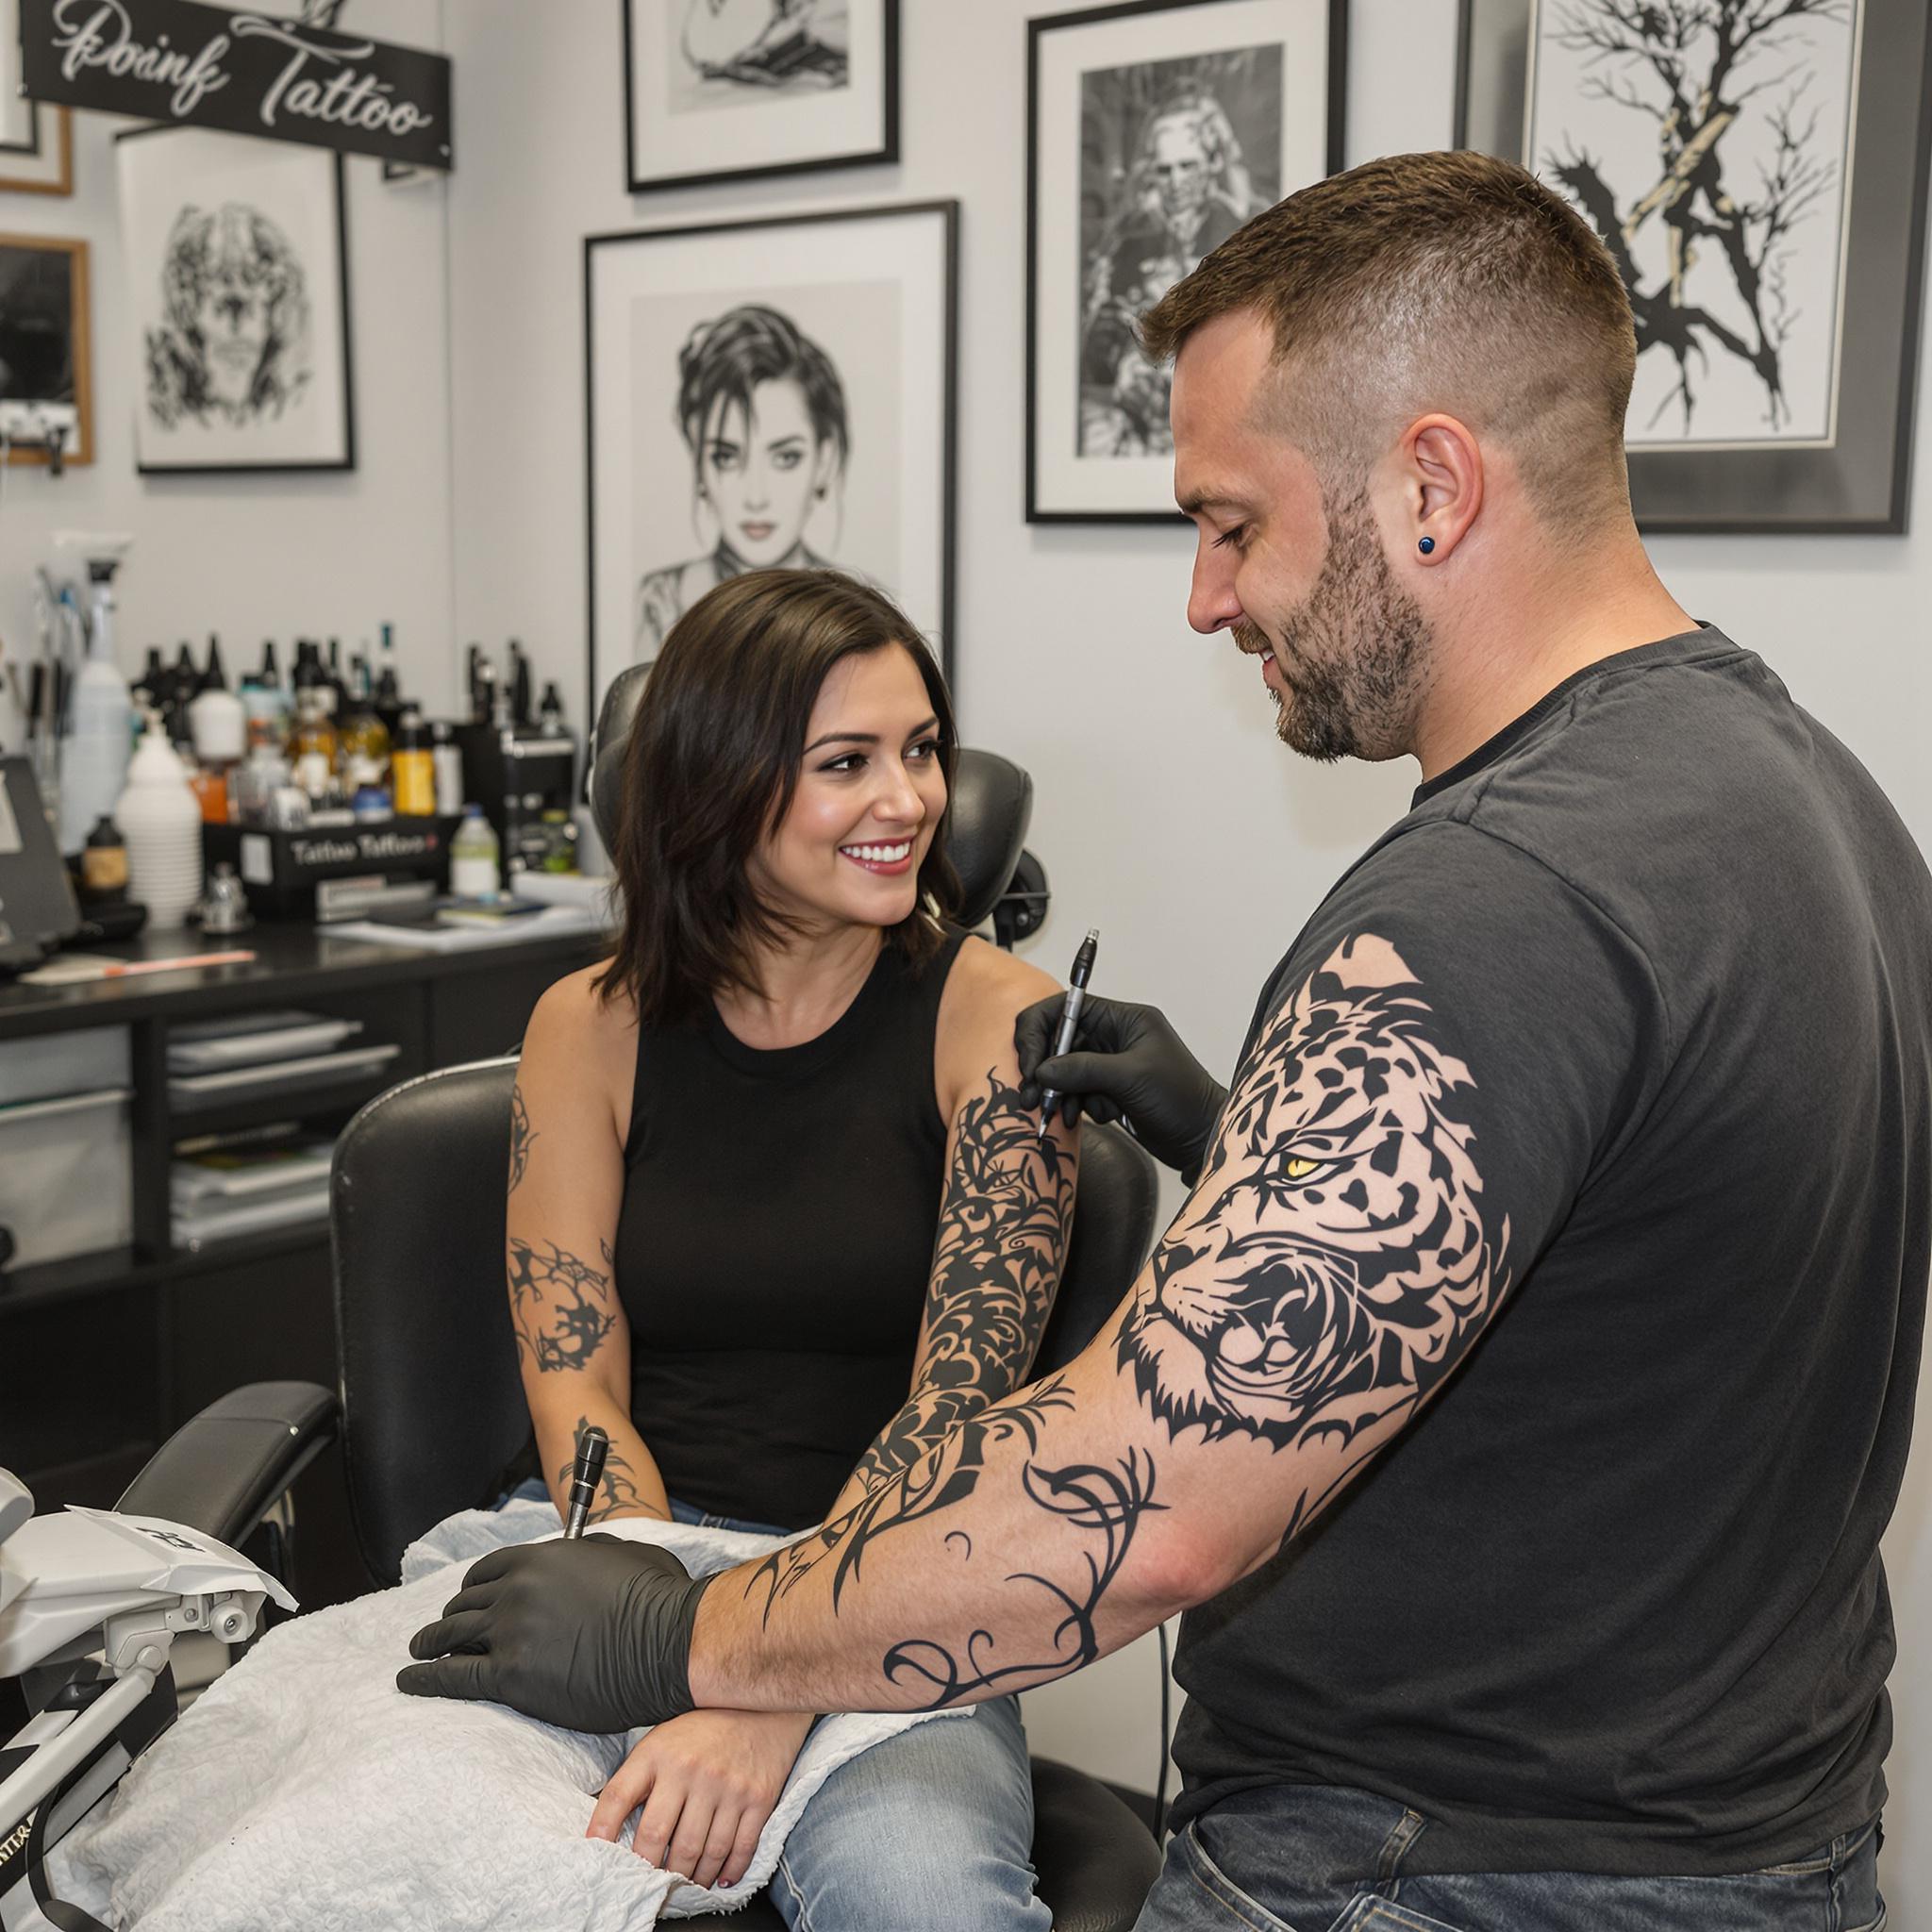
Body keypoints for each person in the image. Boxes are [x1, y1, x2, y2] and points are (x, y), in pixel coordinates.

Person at [403, 151, 1931, 1931]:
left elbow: (1135, 1508)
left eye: (1231, 523)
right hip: (1752, 1837)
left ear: (1428, 487)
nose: (1208, 602)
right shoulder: (1818, 798)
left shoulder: (1485, 906)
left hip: (1426, 1868)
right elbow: (1633, 1275)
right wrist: (1236, 1130)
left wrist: (683, 1631)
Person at [503, 566, 1073, 1926]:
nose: (911, 800)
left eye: (922, 751)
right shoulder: (588, 1026)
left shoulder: (1002, 1024)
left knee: (929, 1904)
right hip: (621, 1566)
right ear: (720, 784)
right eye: (848, 764)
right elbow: (576, 1388)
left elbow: (955, 1415)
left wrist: (768, 1681)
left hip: (897, 1588)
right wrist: (661, 1638)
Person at [634, 306, 848, 664]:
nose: (756, 497)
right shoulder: (660, 602)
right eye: (727, 458)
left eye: (785, 458)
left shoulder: (866, 607)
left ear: (824, 461)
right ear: (699, 463)